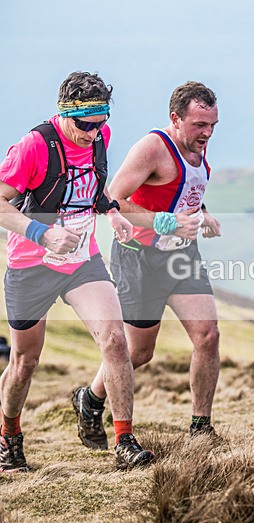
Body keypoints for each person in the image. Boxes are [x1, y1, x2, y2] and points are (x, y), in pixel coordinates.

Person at [0, 71, 155, 472]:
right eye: (86, 125)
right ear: (65, 114)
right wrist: (43, 233)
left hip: (81, 259)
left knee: (115, 340)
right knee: (24, 362)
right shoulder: (34, 146)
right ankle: (9, 437)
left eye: (101, 123)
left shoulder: (99, 137)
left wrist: (112, 212)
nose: (94, 133)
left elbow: (92, 186)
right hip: (31, 263)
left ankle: (124, 441)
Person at [73, 81, 222, 446]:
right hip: (139, 259)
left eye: (212, 125)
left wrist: (203, 213)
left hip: (182, 257)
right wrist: (167, 223)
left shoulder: (197, 147)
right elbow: (112, 198)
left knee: (208, 336)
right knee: (139, 352)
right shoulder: (153, 148)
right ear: (176, 118)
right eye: (199, 125)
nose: (207, 133)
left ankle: (200, 427)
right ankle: (90, 398)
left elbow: (182, 190)